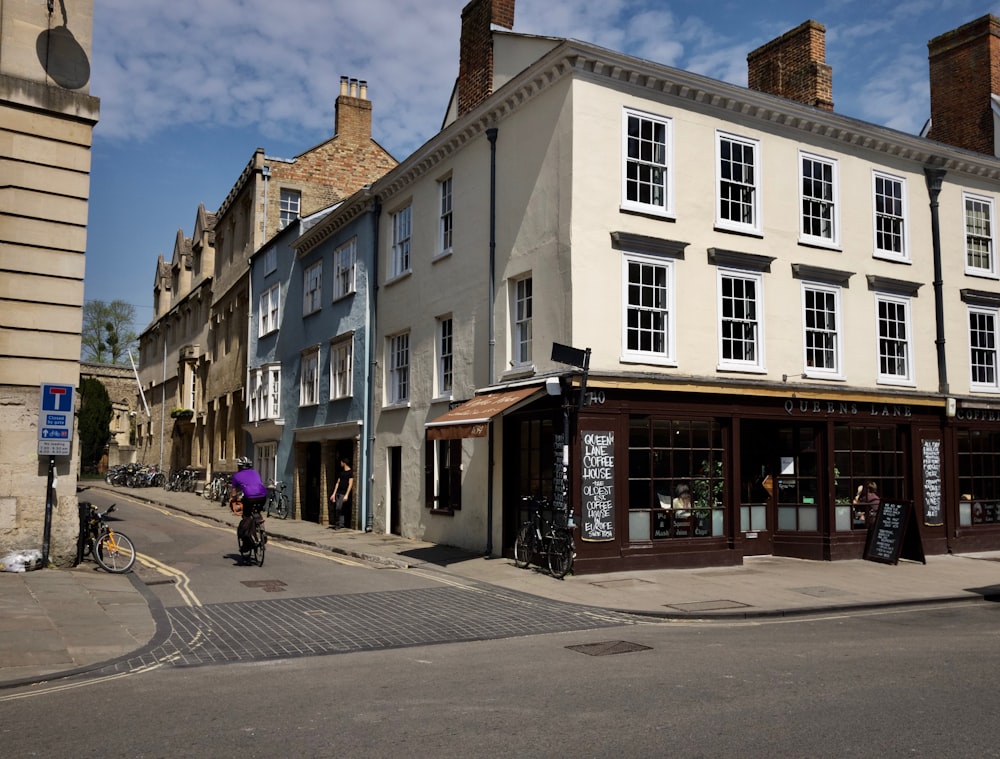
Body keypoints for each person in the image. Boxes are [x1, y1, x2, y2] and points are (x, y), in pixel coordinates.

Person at [233, 457, 267, 553]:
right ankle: (261, 527)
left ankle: (249, 540)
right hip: (263, 496)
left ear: (239, 467)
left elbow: (234, 494)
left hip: (249, 497)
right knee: (257, 511)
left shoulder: (236, 476)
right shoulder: (255, 472)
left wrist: (233, 499)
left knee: (246, 516)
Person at [329, 458, 354, 529]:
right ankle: (341, 524)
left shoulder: (350, 472)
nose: (340, 463)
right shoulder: (341, 473)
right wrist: (334, 493)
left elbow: (350, 484)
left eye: (341, 462)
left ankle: (337, 523)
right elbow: (337, 483)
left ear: (344, 463)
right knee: (340, 508)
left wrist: (347, 494)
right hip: (338, 493)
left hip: (343, 493)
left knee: (338, 508)